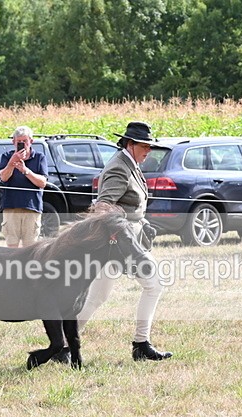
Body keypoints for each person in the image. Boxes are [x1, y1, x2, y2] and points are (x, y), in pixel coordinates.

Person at [68, 121, 172, 362]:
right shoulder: (119, 167)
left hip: (127, 238)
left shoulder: (130, 163)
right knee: (154, 285)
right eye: (145, 146)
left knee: (97, 297)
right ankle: (141, 345)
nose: (148, 151)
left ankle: (63, 344)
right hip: (120, 242)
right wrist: (119, 233)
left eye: (149, 146)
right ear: (130, 144)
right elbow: (103, 206)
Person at [0, 126, 47, 247]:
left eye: (25, 141)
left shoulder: (40, 158)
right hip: (11, 206)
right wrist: (12, 162)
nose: (22, 144)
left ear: (31, 141)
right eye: (18, 142)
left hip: (32, 207)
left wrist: (25, 170)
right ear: (13, 142)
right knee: (11, 246)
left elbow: (42, 183)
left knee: (30, 247)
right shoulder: (6, 156)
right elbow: (3, 177)